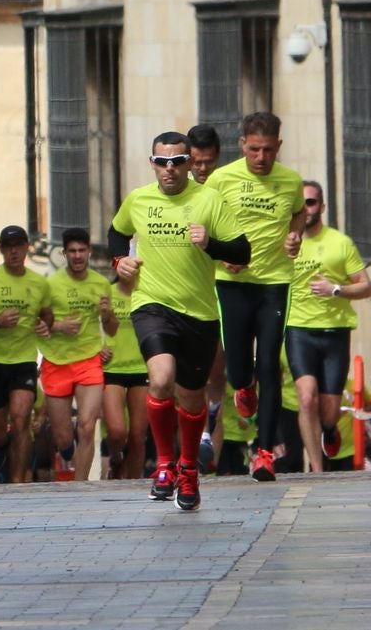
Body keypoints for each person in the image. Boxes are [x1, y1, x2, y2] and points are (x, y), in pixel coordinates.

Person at [109, 131, 249, 511]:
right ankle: (165, 463)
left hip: (199, 312)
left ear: (190, 163)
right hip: (151, 303)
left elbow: (242, 250)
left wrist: (211, 245)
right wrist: (118, 262)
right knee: (161, 378)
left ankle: (188, 467)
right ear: (151, 163)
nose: (168, 169)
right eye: (161, 162)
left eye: (177, 161)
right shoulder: (138, 199)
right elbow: (116, 233)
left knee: (191, 394)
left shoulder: (208, 199)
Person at [204, 111, 305, 482]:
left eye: (269, 150)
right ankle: (243, 389)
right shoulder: (221, 179)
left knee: (269, 365)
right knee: (239, 369)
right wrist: (220, 251)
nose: (261, 158)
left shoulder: (291, 181)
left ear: (279, 146)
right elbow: (202, 222)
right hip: (232, 282)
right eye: (254, 150)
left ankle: (263, 453)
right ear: (241, 146)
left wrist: (295, 237)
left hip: (274, 282)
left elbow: (297, 215)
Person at [283, 181, 371, 473]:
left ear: (321, 207)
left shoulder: (340, 243)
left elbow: (366, 287)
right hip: (298, 329)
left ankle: (330, 430)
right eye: (302, 203)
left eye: (311, 203)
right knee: (306, 396)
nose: (306, 208)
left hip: (334, 332)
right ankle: (318, 470)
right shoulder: (286, 242)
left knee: (329, 412)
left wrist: (335, 289)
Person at [0, 225, 52, 484]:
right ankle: (0, 447)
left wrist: (44, 324)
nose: (14, 251)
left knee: (21, 421)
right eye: (9, 246)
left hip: (24, 360)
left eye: (19, 245)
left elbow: (47, 314)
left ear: (27, 247)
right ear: (2, 250)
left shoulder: (39, 283)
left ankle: (17, 482)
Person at [38, 228, 116, 481]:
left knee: (86, 424)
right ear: (64, 254)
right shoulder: (50, 284)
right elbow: (36, 323)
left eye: (82, 250)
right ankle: (66, 448)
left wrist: (106, 314)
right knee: (63, 438)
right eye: (72, 251)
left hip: (88, 360)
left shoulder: (101, 283)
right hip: (56, 361)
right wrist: (59, 326)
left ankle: (80, 485)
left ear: (90, 252)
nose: (78, 255)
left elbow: (112, 327)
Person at [187, 124, 226, 470]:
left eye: (208, 163)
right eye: (196, 162)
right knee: (189, 372)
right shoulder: (173, 190)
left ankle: (212, 420)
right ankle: (197, 443)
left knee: (218, 372)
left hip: (223, 288)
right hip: (184, 291)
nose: (201, 169)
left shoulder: (223, 191)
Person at [101, 273, 148, 480]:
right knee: (117, 432)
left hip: (142, 368)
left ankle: (135, 484)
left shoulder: (147, 292)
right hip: (112, 368)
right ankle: (115, 457)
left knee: (138, 436)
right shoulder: (106, 292)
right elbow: (90, 327)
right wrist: (97, 348)